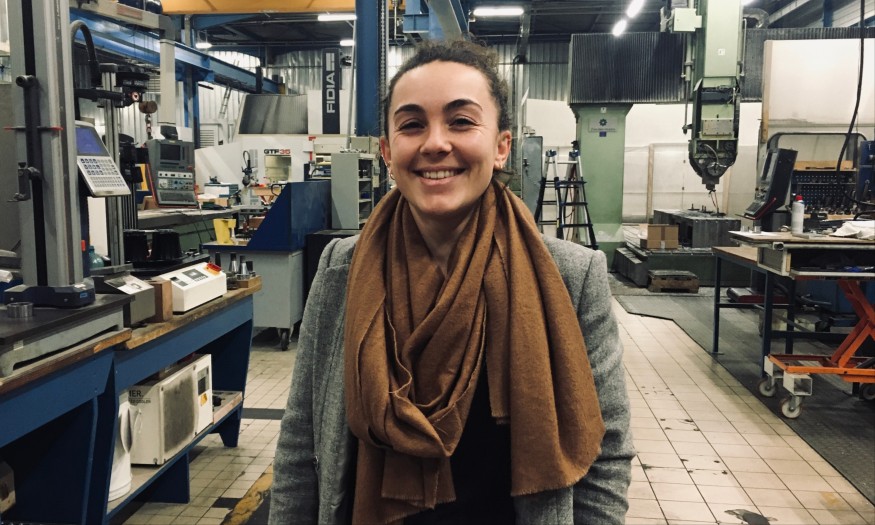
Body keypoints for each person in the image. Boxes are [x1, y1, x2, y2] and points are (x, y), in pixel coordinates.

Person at [269, 39, 634, 525]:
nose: (435, 143)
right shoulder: (341, 269)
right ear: (387, 151)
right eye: (412, 124)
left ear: (501, 146)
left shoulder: (570, 277)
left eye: (461, 121)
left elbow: (605, 454)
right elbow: (301, 443)